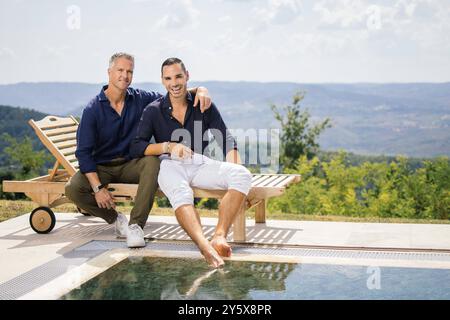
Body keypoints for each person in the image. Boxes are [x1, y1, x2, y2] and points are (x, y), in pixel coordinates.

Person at [65, 53, 212, 248]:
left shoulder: (140, 98)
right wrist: (98, 188)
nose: (125, 76)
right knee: (72, 189)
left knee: (152, 162)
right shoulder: (93, 109)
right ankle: (116, 220)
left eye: (129, 72)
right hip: (101, 167)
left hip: (131, 164)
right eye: (120, 70)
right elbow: (83, 153)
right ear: (109, 72)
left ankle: (136, 226)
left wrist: (200, 90)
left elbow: (173, 92)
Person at [130, 57, 252, 268]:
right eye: (168, 78)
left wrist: (236, 167)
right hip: (169, 164)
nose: (174, 83)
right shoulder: (153, 110)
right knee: (182, 194)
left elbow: (226, 139)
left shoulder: (203, 104)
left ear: (187, 76)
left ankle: (219, 236)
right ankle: (204, 246)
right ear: (162, 80)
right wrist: (168, 146)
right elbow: (137, 146)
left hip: (198, 162)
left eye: (178, 76)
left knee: (242, 175)